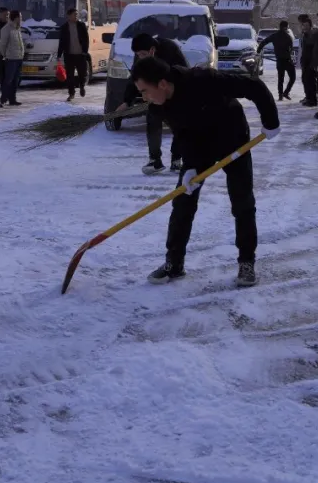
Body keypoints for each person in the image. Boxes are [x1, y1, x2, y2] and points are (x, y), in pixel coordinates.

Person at [129, 56, 281, 288]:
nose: (144, 97)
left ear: (162, 83)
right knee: (182, 202)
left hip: (233, 140)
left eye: (145, 91)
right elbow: (182, 134)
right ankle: (174, 263)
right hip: (200, 146)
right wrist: (190, 167)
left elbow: (254, 86)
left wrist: (271, 122)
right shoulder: (161, 106)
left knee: (242, 201)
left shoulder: (204, 79)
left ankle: (246, 262)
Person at [119, 32, 188, 174]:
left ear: (152, 50)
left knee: (179, 126)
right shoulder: (140, 57)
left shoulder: (170, 49)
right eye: (137, 54)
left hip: (173, 93)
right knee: (153, 122)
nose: (140, 57)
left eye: (143, 54)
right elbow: (135, 78)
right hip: (154, 95)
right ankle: (155, 160)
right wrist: (127, 101)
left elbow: (184, 71)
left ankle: (176, 160)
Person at [257, 20, 296, 100]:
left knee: (280, 78)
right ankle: (286, 92)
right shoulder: (288, 37)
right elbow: (291, 49)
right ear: (285, 27)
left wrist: (258, 50)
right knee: (293, 77)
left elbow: (264, 42)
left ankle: (280, 95)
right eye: (287, 27)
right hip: (287, 60)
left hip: (279, 60)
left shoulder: (274, 36)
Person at [57, 7, 89, 101]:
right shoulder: (64, 27)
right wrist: (59, 55)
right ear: (69, 16)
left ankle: (82, 86)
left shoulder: (81, 25)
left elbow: (86, 40)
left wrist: (85, 52)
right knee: (70, 76)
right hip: (69, 55)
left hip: (80, 55)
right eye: (74, 14)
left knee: (82, 74)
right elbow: (62, 42)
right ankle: (71, 93)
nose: (76, 16)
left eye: (77, 14)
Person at [0, 10, 25, 107]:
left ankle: (12, 99)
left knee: (16, 80)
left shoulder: (17, 29)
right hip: (11, 59)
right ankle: (3, 99)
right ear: (16, 18)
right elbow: (2, 45)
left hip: (19, 58)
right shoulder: (6, 29)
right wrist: (5, 55)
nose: (21, 19)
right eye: (20, 17)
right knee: (8, 80)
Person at [297, 14, 318, 107]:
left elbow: (311, 44)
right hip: (305, 60)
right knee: (305, 80)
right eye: (303, 25)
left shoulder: (313, 33)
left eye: (306, 25)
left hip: (311, 60)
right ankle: (308, 97)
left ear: (310, 25)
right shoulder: (305, 34)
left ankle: (313, 99)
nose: (304, 27)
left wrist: (305, 34)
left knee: (310, 81)